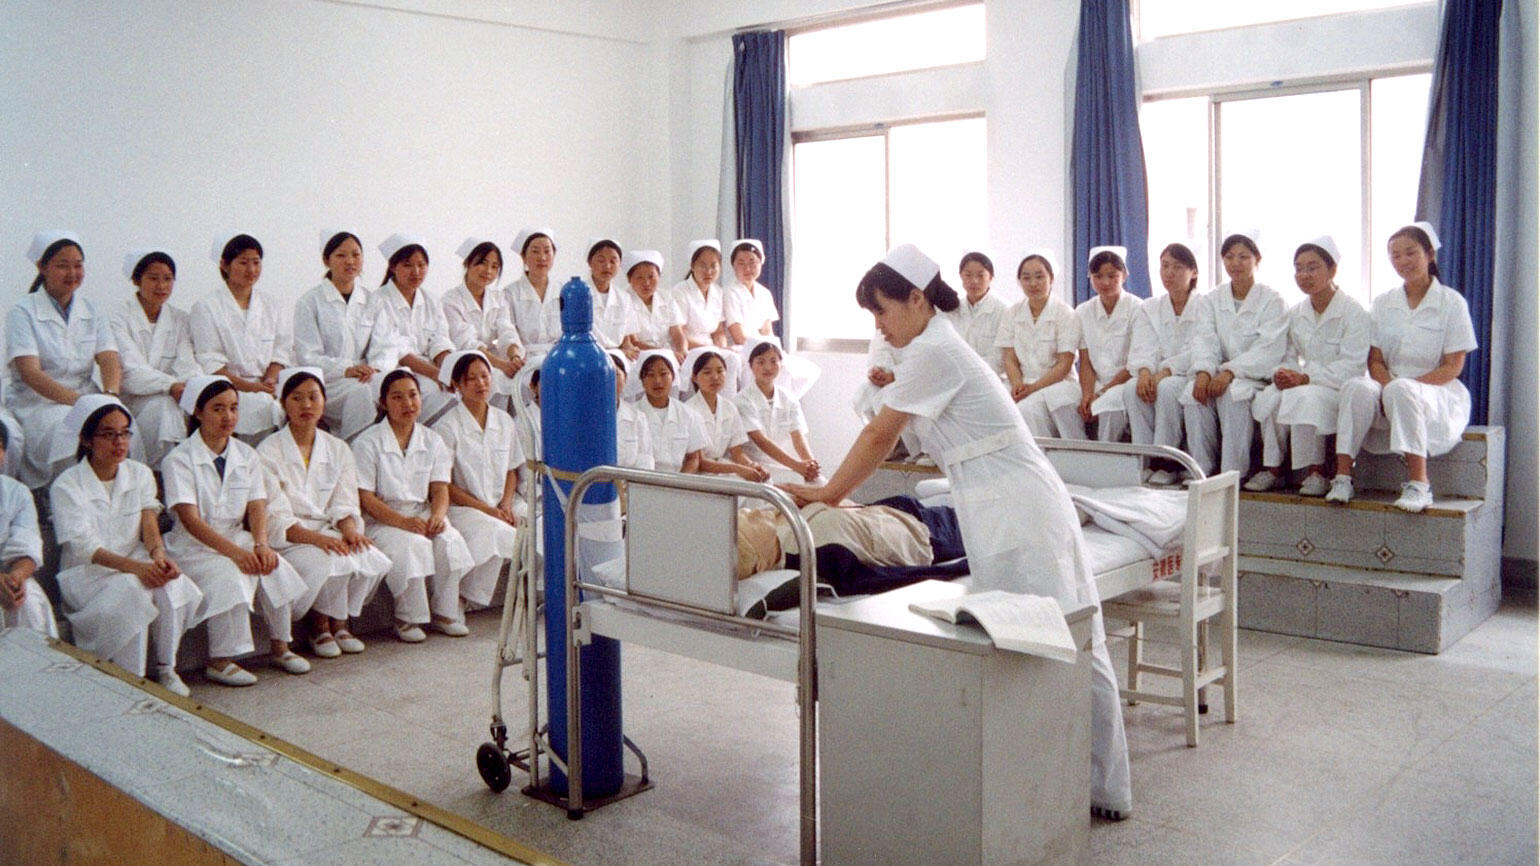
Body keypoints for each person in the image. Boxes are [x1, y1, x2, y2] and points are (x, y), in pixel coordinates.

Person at [779, 244, 1132, 820]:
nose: (880, 328)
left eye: (883, 313)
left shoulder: (936, 349)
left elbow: (878, 440)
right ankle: (1047, 775)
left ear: (917, 299)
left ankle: (1105, 786)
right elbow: (892, 427)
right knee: (1023, 639)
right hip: (993, 503)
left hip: (1018, 505)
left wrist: (826, 494)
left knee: (1065, 635)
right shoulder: (928, 347)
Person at [162, 376, 312, 686]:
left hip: (237, 537)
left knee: (273, 565)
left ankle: (281, 646)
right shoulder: (178, 460)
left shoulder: (246, 454)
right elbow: (190, 520)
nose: (228, 417)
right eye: (218, 409)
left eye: (233, 408)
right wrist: (237, 554)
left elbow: (258, 504)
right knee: (228, 573)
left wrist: (260, 544)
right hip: (192, 547)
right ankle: (220, 660)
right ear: (198, 412)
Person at [50, 395, 200, 695]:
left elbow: (149, 523)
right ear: (86, 439)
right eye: (108, 434)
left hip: (136, 561)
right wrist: (139, 569)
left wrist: (157, 556)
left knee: (169, 581)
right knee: (134, 589)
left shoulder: (140, 473)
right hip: (88, 577)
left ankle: (166, 668)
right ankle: (133, 678)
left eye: (124, 433)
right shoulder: (67, 485)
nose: (119, 442)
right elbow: (85, 548)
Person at [1329, 222, 1477, 512]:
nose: (1403, 261)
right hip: (1390, 385)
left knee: (1403, 389)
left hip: (1438, 391)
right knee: (1355, 387)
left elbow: (1452, 367)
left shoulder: (1451, 303)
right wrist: (1388, 387)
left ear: (1430, 254)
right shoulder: (1384, 303)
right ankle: (1343, 477)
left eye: (1410, 253)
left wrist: (1402, 387)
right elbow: (1375, 361)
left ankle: (1419, 484)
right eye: (1395, 256)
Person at [257, 367, 391, 658]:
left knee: (371, 556)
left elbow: (344, 500)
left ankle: (339, 620)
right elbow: (275, 515)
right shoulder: (268, 450)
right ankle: (320, 626)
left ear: (324, 400)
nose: (306, 405)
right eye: (297, 398)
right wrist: (318, 539)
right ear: (283, 403)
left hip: (329, 528)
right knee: (327, 557)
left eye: (313, 397)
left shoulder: (338, 448)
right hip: (291, 537)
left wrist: (350, 530)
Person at [353, 368, 475, 640]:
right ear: (383, 403)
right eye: (397, 397)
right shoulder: (367, 442)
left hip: (422, 514)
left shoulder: (432, 440)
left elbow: (440, 488)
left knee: (450, 540)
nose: (407, 404)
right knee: (412, 544)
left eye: (412, 396)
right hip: (382, 521)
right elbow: (366, 498)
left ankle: (446, 612)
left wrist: (438, 516)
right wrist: (403, 523)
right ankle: (408, 617)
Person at [1246, 237, 1371, 495]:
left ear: (1332, 270)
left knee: (1305, 397)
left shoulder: (1353, 313)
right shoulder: (1296, 313)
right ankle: (1273, 469)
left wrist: (1305, 378)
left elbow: (1353, 366)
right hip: (1305, 383)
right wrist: (1285, 373)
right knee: (1271, 396)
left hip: (1338, 388)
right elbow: (1287, 353)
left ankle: (1317, 471)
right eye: (1299, 268)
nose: (1304, 275)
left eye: (1312, 267)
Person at [7, 231, 123, 488]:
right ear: (42, 267)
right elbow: (30, 373)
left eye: (78, 265)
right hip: (38, 404)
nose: (72, 273)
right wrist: (80, 403)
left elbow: (109, 358)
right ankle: (62, 497)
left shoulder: (92, 309)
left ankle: (117, 496)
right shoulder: (22, 312)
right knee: (69, 429)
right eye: (62, 265)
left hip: (86, 397)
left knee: (122, 424)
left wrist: (111, 395)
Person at [1182, 231, 1288, 475]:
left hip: (1255, 377)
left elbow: (1268, 349)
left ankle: (1233, 473)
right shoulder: (1211, 300)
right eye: (1229, 257)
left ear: (1256, 260)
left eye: (1243, 257)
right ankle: (1202, 470)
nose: (1235, 263)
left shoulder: (1272, 300)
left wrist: (1230, 371)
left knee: (1234, 395)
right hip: (1218, 373)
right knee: (1193, 394)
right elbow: (1204, 339)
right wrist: (1204, 373)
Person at [431, 351, 523, 618]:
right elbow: (444, 485)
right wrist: (488, 509)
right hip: (463, 507)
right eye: (471, 379)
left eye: (485, 376)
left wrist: (505, 504)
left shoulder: (504, 421)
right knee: (497, 533)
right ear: (458, 385)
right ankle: (460, 598)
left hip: (501, 502)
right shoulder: (446, 427)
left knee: (535, 525)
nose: (480, 383)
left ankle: (536, 596)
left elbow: (511, 470)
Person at [189, 233, 289, 442]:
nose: (251, 270)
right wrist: (251, 387)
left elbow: (282, 349)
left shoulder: (272, 304)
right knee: (261, 406)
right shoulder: (206, 307)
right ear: (225, 265)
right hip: (227, 388)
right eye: (243, 262)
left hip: (267, 385)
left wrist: (270, 380)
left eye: (256, 262)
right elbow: (210, 361)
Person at [1122, 243, 1204, 485]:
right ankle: (1144, 460)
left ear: (1194, 272)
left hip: (1188, 374)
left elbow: (1200, 348)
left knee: (1167, 389)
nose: (1169, 273)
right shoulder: (1150, 307)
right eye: (1165, 266)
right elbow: (1143, 345)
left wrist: (1164, 372)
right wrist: (1145, 372)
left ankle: (1167, 463)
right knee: (1131, 388)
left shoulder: (1204, 305)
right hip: (1156, 373)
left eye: (1178, 267)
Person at [111, 249, 200, 467]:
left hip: (178, 398)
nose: (161, 286)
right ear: (136, 280)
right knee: (163, 409)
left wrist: (189, 385)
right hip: (134, 401)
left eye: (167, 279)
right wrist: (171, 385)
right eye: (153, 278)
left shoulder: (180, 319)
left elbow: (188, 363)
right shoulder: (118, 318)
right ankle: (159, 476)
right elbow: (131, 372)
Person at [293, 231, 381, 442]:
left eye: (356, 255)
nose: (350, 261)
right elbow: (308, 356)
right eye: (341, 255)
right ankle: (352, 449)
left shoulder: (372, 300)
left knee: (398, 386)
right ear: (327, 260)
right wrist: (346, 369)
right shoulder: (309, 302)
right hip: (328, 381)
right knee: (360, 394)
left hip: (368, 376)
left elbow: (384, 344)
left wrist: (375, 368)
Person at [367, 234, 456, 426]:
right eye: (408, 265)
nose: (416, 271)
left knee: (457, 387)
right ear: (393, 267)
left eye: (421, 265)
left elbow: (440, 339)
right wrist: (434, 374)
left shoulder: (431, 299)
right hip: (396, 368)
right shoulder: (378, 300)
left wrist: (447, 368)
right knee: (431, 391)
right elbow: (395, 349)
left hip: (430, 366)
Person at [996, 251, 1082, 438]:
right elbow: (1009, 357)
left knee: (1028, 410)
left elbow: (1065, 363)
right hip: (1022, 382)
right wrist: (1017, 382)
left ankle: (1041, 462)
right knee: (994, 403)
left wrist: (1033, 388)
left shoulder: (1065, 313)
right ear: (1019, 281)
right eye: (1026, 278)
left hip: (1058, 384)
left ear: (1051, 279)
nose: (1033, 283)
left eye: (1039, 276)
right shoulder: (1012, 313)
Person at [724, 238, 819, 398]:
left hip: (764, 347)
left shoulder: (764, 293)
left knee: (806, 370)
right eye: (741, 263)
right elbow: (738, 336)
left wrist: (775, 351)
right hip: (742, 349)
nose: (747, 268)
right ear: (733, 265)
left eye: (752, 262)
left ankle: (782, 407)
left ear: (761, 262)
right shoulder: (730, 292)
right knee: (771, 371)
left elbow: (767, 330)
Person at [443, 238, 525, 406]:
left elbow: (506, 330)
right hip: (465, 359)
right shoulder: (450, 300)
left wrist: (514, 356)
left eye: (495, 267)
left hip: (492, 358)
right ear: (467, 263)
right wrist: (502, 365)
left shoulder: (498, 297)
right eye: (482, 263)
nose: (488, 271)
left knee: (523, 378)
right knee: (497, 380)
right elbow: (467, 342)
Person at [1071, 246, 1139, 442]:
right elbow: (1086, 362)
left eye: (1112, 275)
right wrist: (1087, 394)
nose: (1105, 282)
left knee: (1110, 405)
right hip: (1096, 384)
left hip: (1126, 382)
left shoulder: (1138, 309)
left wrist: (1102, 392)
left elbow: (1134, 363)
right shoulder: (1083, 311)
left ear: (1124, 275)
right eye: (1098, 276)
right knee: (1067, 403)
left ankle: (1106, 457)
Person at [735, 339, 820, 483]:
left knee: (819, 483)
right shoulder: (742, 400)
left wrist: (810, 465)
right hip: (756, 466)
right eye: (761, 362)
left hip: (783, 465)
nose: (767, 367)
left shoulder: (789, 398)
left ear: (781, 365)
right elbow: (761, 440)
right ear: (751, 366)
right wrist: (797, 466)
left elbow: (798, 437)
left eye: (773, 361)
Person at [0, 424, 56, 637]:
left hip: (6, 575)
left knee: (25, 602)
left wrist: (16, 578)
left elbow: (27, 545)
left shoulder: (16, 493)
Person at [684, 348, 768, 481]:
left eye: (720, 371)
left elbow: (737, 453)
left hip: (724, 468)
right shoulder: (688, 410)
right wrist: (738, 469)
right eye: (707, 372)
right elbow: (699, 462)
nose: (715, 377)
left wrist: (752, 466)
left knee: (763, 480)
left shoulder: (729, 407)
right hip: (699, 473)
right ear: (694, 377)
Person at [634, 351, 709, 473]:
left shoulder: (688, 414)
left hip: (677, 483)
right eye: (650, 375)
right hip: (640, 483)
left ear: (673, 377)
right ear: (642, 381)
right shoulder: (631, 414)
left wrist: (680, 485)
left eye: (663, 374)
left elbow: (693, 458)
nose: (657, 381)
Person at [946, 251, 1007, 377]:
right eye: (968, 275)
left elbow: (1001, 359)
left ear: (990, 278)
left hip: (991, 379)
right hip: (958, 377)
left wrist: (970, 370)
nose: (974, 281)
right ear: (961, 276)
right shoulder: (954, 309)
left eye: (980, 275)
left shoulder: (1004, 310)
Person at [505, 227, 563, 360]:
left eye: (547, 251)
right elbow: (508, 332)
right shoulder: (510, 293)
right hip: (525, 360)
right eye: (535, 251)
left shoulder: (563, 290)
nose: (542, 257)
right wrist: (516, 356)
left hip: (560, 358)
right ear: (523, 257)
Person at [623, 250, 687, 362]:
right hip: (640, 355)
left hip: (670, 353)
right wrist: (664, 354)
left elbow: (677, 332)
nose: (646, 283)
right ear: (629, 279)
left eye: (651, 277)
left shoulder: (666, 297)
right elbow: (633, 341)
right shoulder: (624, 299)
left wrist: (682, 351)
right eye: (640, 278)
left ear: (659, 277)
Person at [582, 237, 639, 351]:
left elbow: (626, 340)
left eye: (613, 261)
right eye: (601, 260)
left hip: (617, 353)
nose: (607, 266)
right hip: (588, 353)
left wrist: (629, 349)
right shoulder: (579, 294)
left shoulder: (624, 298)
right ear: (589, 262)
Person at [672, 239, 728, 349]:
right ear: (692, 266)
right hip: (687, 348)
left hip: (711, 348)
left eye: (713, 266)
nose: (708, 271)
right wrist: (709, 350)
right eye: (702, 266)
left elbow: (719, 332)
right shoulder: (680, 291)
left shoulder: (718, 292)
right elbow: (678, 334)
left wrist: (722, 349)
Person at [608, 351, 654, 471]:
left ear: (625, 378)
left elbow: (646, 461)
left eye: (616, 374)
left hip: (630, 486)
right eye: (604, 375)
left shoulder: (637, 418)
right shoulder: (582, 417)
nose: (609, 380)